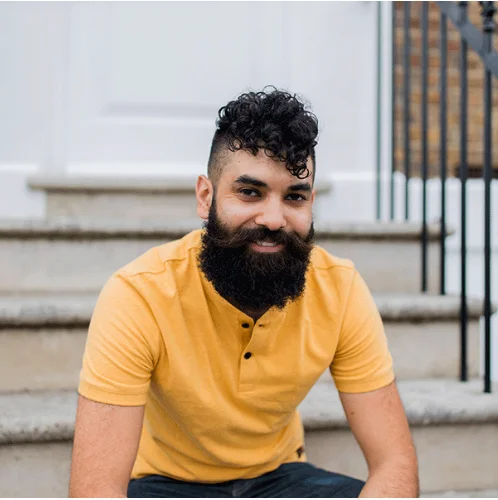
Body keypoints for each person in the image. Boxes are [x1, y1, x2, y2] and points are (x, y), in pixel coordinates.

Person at [69, 87, 419, 498]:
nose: (273, 219)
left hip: (281, 478)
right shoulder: (139, 295)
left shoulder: (339, 288)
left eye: (294, 197)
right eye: (250, 192)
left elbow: (394, 463)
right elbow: (96, 491)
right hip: (166, 483)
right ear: (206, 196)